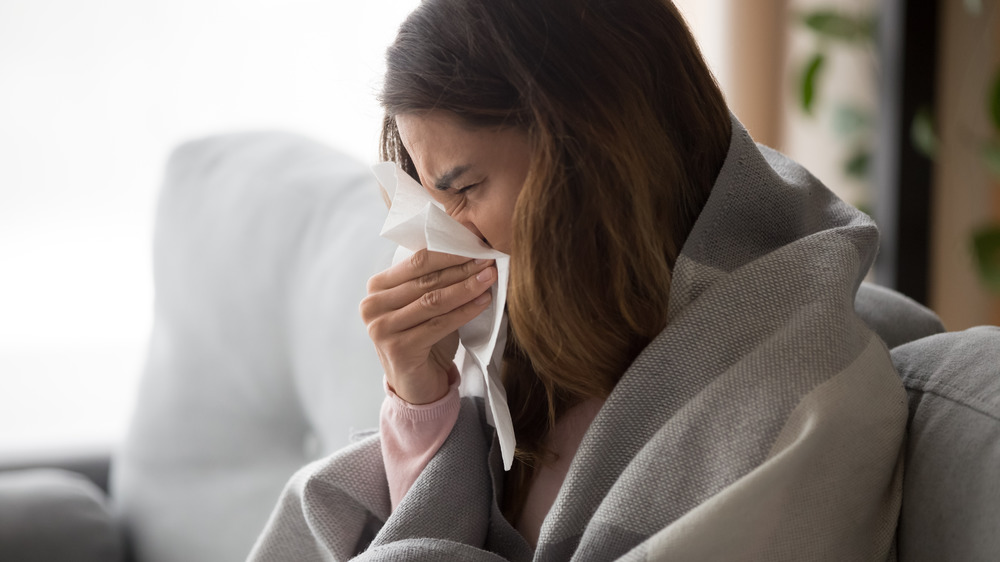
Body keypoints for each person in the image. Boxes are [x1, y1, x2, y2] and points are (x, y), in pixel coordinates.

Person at [248, 1, 907, 560]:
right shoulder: (523, 358)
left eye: (466, 190)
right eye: (425, 198)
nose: (445, 238)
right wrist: (421, 404)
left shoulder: (798, 389)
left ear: (593, 151)